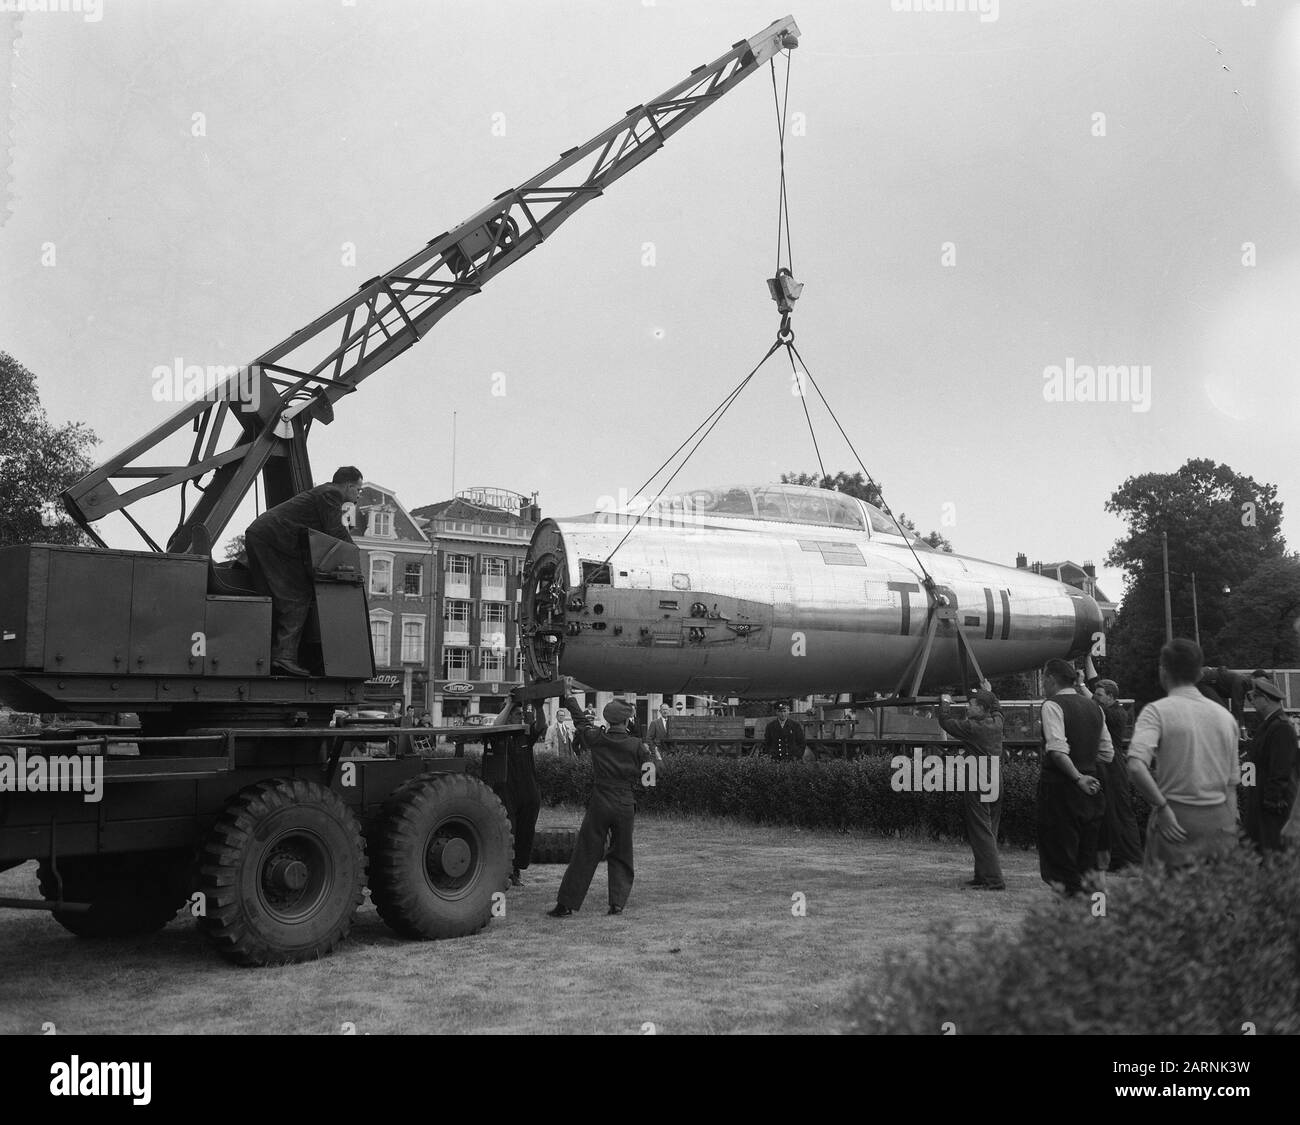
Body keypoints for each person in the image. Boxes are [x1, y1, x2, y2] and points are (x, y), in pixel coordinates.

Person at [1126, 639, 1241, 871]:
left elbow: (1136, 766)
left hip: (1175, 819)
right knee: (1213, 901)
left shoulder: (1156, 712)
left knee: (1167, 901)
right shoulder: (1224, 717)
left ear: (1163, 670)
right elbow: (1231, 784)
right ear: (1200, 674)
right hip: (1219, 819)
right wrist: (1230, 825)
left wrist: (1161, 806)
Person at [547, 691, 659, 917]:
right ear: (627, 720)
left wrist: (569, 698)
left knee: (585, 852)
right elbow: (650, 781)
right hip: (625, 803)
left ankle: (566, 905)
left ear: (607, 720)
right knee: (622, 852)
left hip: (600, 801)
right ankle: (616, 904)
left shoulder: (597, 738)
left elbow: (580, 721)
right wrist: (654, 758)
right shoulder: (637, 745)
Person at [244, 465, 363, 676]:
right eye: (358, 490)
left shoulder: (323, 494)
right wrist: (355, 555)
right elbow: (335, 532)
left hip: (265, 537)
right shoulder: (330, 494)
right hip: (272, 540)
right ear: (348, 485)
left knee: (274, 597)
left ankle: (273, 653)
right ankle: (283, 657)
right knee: (297, 595)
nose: (358, 495)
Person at [1036, 658, 1111, 896]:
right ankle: (1098, 914)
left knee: (1061, 861)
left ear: (1050, 679)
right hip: (1094, 788)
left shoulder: (1052, 705)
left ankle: (1070, 919)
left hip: (1062, 788)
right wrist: (1087, 767)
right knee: (1090, 861)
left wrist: (1077, 776)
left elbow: (1057, 750)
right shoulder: (1095, 707)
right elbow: (1107, 753)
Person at [937, 686, 1005, 891]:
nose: (968, 708)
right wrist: (989, 692)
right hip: (996, 777)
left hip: (979, 778)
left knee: (981, 831)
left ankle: (993, 879)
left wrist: (945, 702)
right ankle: (982, 875)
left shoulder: (972, 728)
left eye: (972, 705)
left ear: (981, 709)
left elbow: (945, 722)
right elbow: (998, 709)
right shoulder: (997, 723)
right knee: (989, 829)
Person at [1086, 674, 1143, 872]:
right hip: (1107, 763)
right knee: (1108, 811)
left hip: (1115, 764)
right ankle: (1116, 857)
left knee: (1121, 810)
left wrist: (1082, 686)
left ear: (1110, 696)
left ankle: (1132, 859)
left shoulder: (1117, 714)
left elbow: (1097, 709)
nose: (1095, 696)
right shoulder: (1109, 708)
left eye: (1099, 694)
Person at [1240, 673, 1299, 853]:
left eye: (1253, 697)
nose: (1251, 702)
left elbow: (1280, 772)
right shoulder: (1270, 725)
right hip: (1262, 806)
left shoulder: (1281, 728)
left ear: (1265, 699)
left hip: (1272, 811)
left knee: (1271, 857)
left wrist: (1270, 805)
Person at [494, 701, 546, 886]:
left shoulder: (525, 735)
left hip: (528, 791)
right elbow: (496, 725)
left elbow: (541, 725)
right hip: (507, 792)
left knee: (525, 833)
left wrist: (539, 706)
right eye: (517, 713)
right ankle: (505, 870)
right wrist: (509, 704)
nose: (521, 716)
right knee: (509, 831)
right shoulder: (498, 736)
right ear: (507, 715)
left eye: (520, 713)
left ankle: (516, 871)